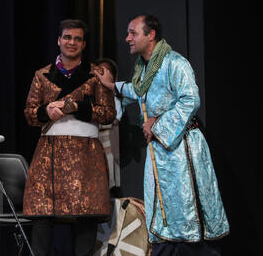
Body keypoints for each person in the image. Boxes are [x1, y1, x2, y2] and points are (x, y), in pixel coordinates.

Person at [95, 14, 229, 255]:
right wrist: (112, 86)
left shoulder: (174, 63)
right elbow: (138, 90)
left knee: (186, 212)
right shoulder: (145, 69)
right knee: (164, 215)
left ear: (151, 35)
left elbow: (190, 100)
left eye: (133, 33)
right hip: (160, 150)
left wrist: (158, 124)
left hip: (181, 149)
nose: (127, 38)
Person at [23, 19, 116, 256]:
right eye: (67, 37)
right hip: (49, 156)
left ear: (84, 44)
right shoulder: (42, 75)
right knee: (42, 216)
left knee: (86, 217)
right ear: (58, 40)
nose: (71, 42)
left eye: (77, 39)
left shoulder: (96, 75)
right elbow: (29, 113)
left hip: (86, 155)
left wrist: (76, 106)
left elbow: (108, 114)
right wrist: (46, 112)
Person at [92, 58, 121, 196]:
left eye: (105, 72)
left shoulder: (116, 97)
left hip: (109, 140)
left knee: (110, 182)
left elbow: (117, 116)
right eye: (99, 71)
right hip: (95, 140)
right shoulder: (92, 94)